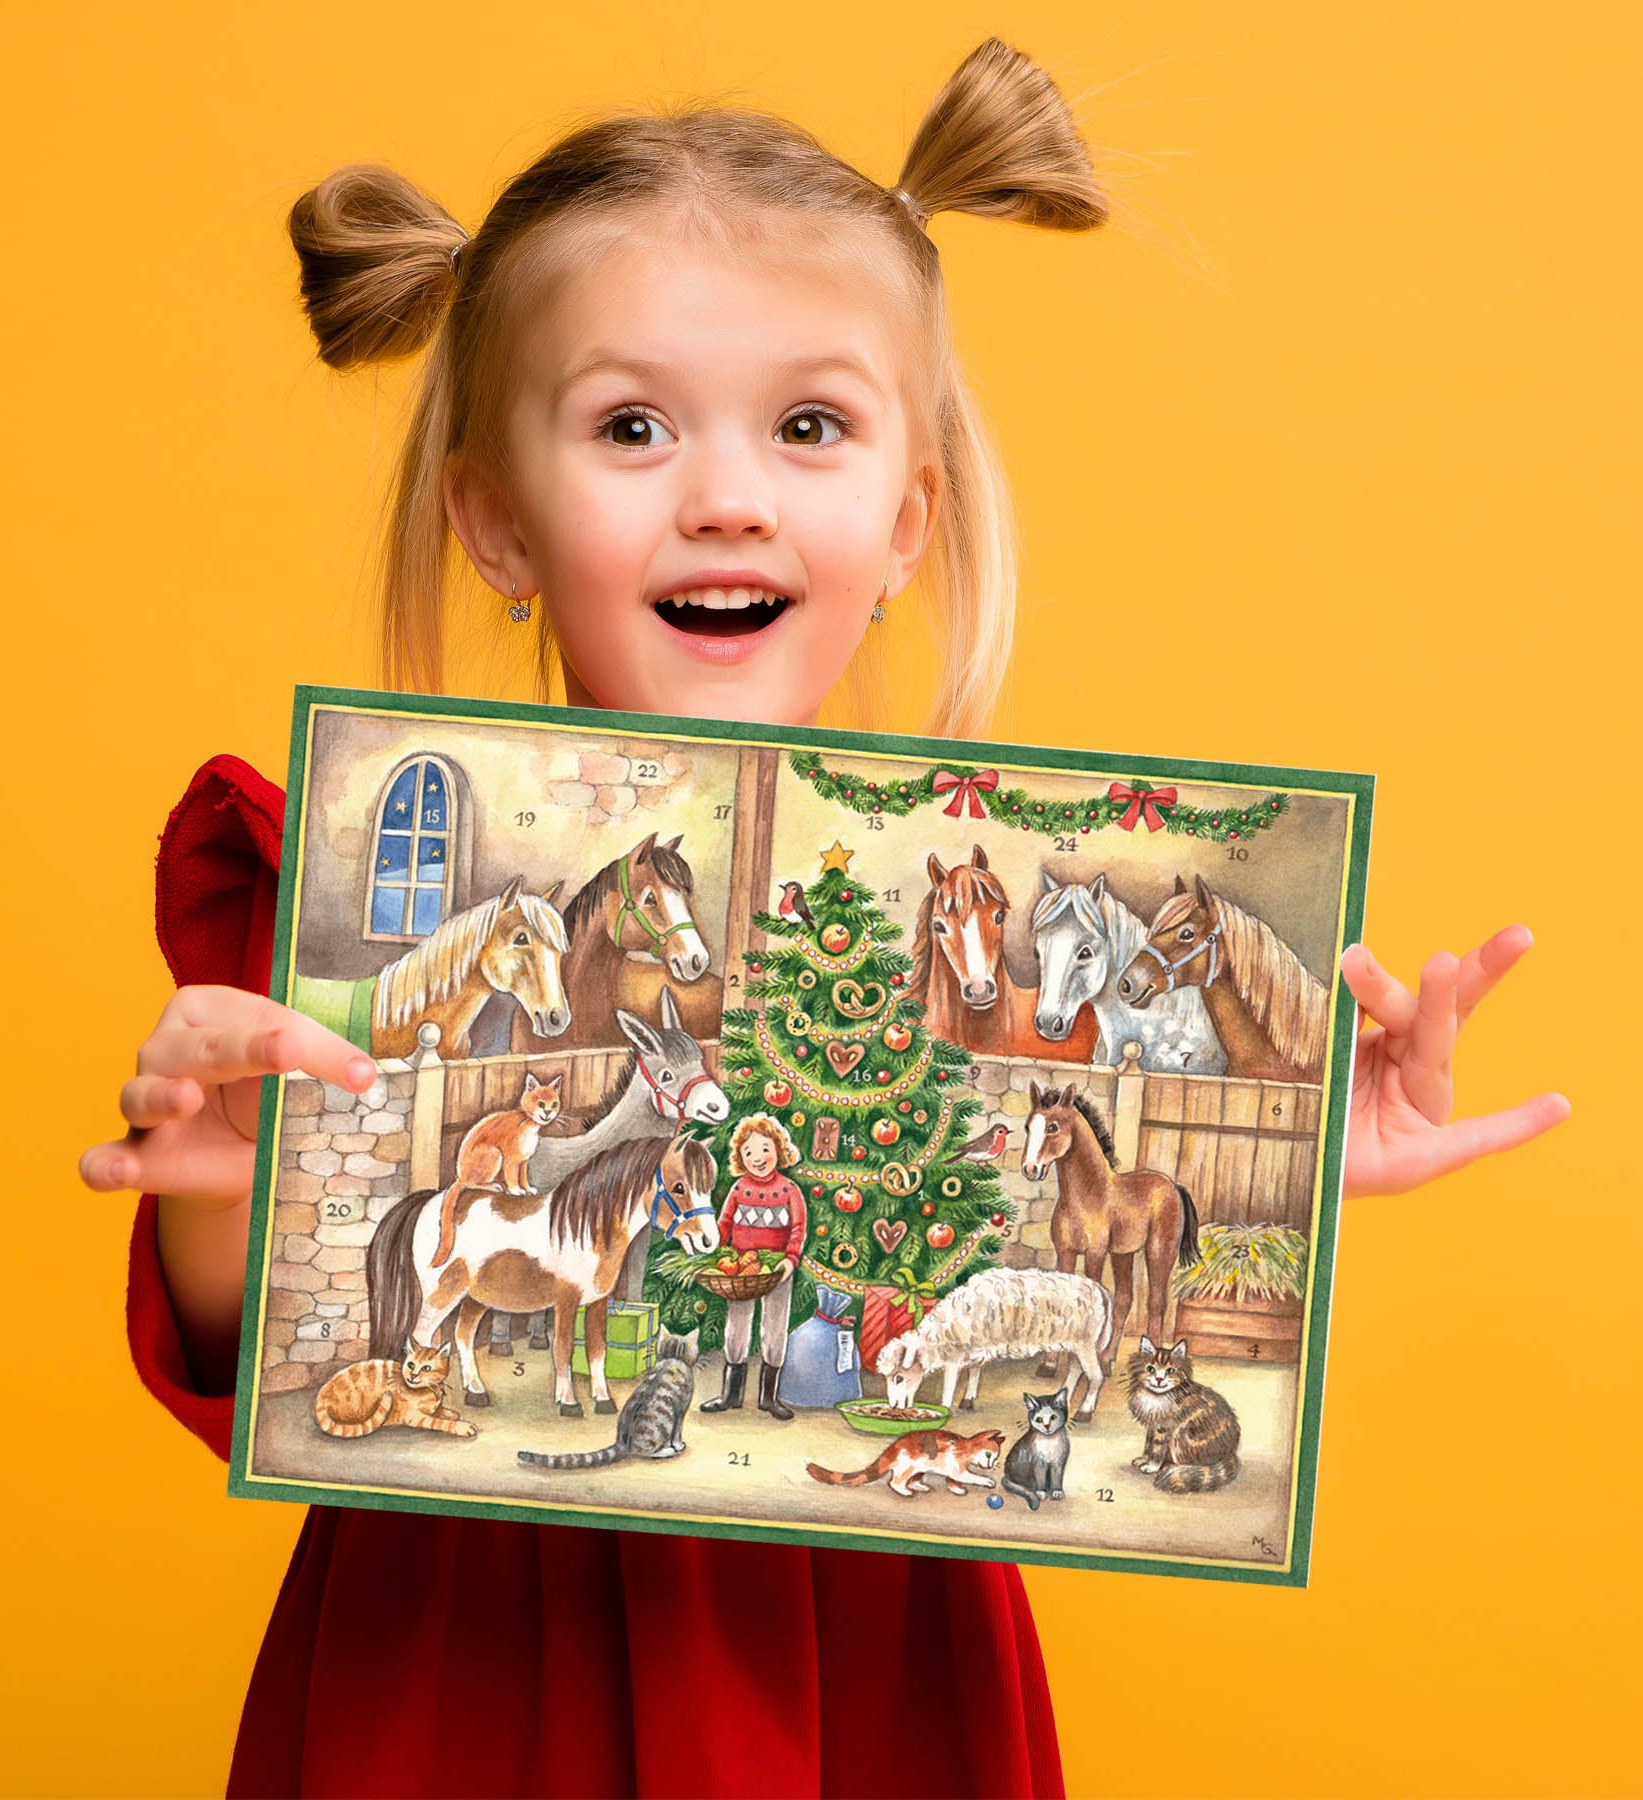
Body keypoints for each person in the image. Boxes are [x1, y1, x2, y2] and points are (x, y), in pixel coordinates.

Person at [78, 37, 1569, 1798]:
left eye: (811, 425)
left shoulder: (976, 918)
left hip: (873, 1670)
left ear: (907, 516)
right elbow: (267, 1343)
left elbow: (1043, 1239)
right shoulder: (342, 907)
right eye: (631, 426)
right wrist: (230, 1184)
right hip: (470, 1665)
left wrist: (1312, 1153)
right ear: (493, 519)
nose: (727, 492)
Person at [701, 1115, 807, 1419]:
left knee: (775, 1329)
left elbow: (798, 1230)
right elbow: (723, 1225)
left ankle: (768, 1397)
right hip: (740, 1271)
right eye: (749, 1152)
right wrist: (713, 1252)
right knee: (736, 1328)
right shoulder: (738, 1189)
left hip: (777, 1270)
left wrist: (790, 1261)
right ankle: (730, 1394)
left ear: (779, 1149)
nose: (757, 1158)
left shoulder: (789, 1191)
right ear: (740, 1158)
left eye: (764, 1148)